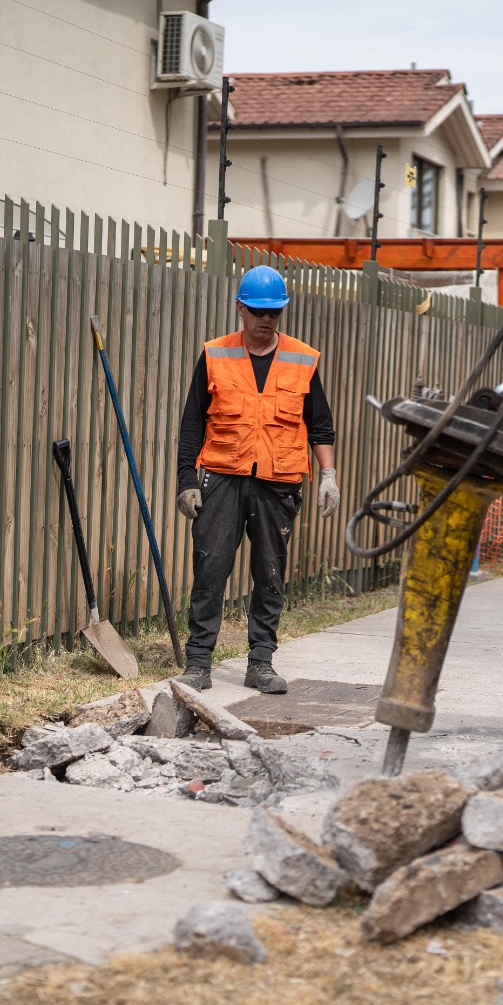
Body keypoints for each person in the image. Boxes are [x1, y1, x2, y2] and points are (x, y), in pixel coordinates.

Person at [174, 265, 340, 694]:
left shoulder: (303, 359)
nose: (266, 321)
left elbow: (319, 424)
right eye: (257, 312)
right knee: (210, 569)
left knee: (270, 573)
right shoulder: (215, 354)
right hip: (223, 477)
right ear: (240, 310)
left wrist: (328, 474)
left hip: (278, 481)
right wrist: (186, 480)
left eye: (274, 313)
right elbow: (193, 421)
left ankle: (261, 662)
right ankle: (198, 664)